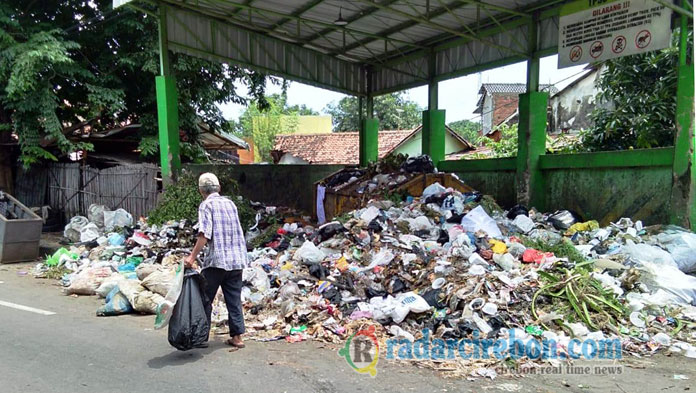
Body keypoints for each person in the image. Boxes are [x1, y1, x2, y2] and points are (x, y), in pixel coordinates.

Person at [185, 173, 248, 348]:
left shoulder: (206, 205)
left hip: (217, 261)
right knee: (233, 300)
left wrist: (192, 257)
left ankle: (201, 337)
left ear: (201, 190)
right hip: (236, 260)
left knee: (205, 298)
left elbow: (204, 234)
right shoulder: (230, 204)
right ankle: (237, 338)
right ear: (218, 188)